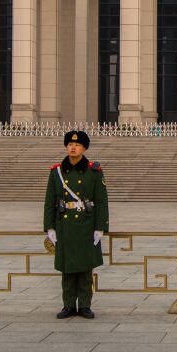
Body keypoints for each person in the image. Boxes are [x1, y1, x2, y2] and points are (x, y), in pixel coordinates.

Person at [43, 129, 108, 319]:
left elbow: (101, 200)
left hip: (86, 225)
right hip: (65, 225)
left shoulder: (93, 171)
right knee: (67, 268)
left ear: (84, 148)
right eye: (70, 144)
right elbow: (49, 202)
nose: (73, 147)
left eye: (77, 145)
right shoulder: (57, 172)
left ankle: (85, 305)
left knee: (86, 268)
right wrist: (50, 227)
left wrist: (100, 227)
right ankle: (68, 305)